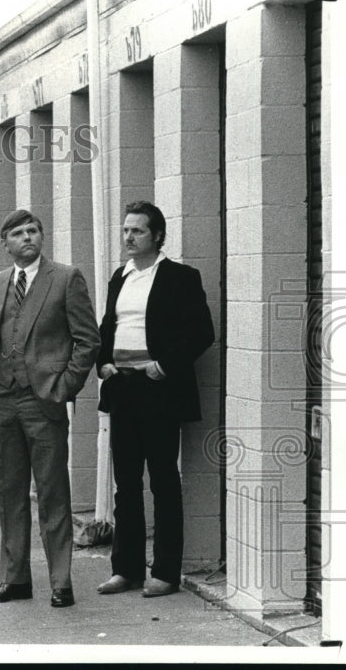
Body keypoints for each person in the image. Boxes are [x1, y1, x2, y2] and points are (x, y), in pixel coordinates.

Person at [0, 210, 100, 608]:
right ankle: (15, 579)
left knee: (52, 492)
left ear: (41, 237)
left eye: (33, 231)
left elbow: (88, 340)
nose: (27, 238)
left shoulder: (65, 277)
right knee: (9, 492)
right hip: (3, 401)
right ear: (5, 243)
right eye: (18, 234)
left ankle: (61, 581)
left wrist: (63, 386)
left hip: (44, 400)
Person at [95, 201, 214, 598]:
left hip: (158, 388)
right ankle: (125, 569)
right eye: (126, 230)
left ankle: (164, 572)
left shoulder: (180, 277)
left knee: (163, 479)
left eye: (137, 231)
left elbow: (201, 332)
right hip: (123, 388)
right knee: (125, 483)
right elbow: (108, 326)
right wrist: (103, 364)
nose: (129, 237)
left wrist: (164, 365)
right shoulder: (120, 277)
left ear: (157, 236)